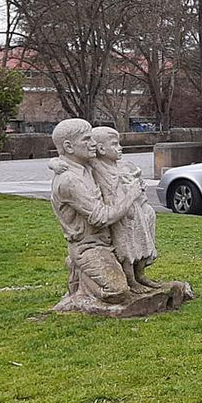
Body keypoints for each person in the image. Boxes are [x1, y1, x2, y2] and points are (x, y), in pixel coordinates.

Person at [48, 118, 148, 308]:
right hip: (89, 246)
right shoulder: (69, 180)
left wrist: (53, 162)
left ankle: (91, 273)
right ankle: (80, 292)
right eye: (87, 139)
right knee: (118, 291)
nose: (93, 143)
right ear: (69, 146)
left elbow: (113, 163)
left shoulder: (85, 164)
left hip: (110, 239)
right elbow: (100, 217)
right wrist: (131, 195)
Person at [90, 126, 159, 289]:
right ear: (101, 148)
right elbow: (68, 159)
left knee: (143, 244)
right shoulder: (97, 167)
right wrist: (56, 164)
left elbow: (138, 184)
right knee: (127, 249)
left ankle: (140, 275)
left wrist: (138, 187)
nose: (120, 148)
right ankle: (130, 280)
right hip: (120, 216)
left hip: (135, 212)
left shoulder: (124, 166)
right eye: (115, 144)